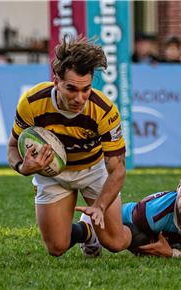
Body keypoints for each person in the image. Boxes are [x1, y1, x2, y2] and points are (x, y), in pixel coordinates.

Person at [7, 36, 132, 257]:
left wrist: (100, 206)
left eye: (86, 89)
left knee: (116, 243)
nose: (80, 98)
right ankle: (86, 232)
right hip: (52, 174)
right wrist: (21, 167)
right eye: (71, 89)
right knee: (57, 247)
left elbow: (118, 169)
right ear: (56, 81)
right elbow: (12, 147)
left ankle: (144, 227)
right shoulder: (32, 102)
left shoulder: (104, 110)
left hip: (94, 171)